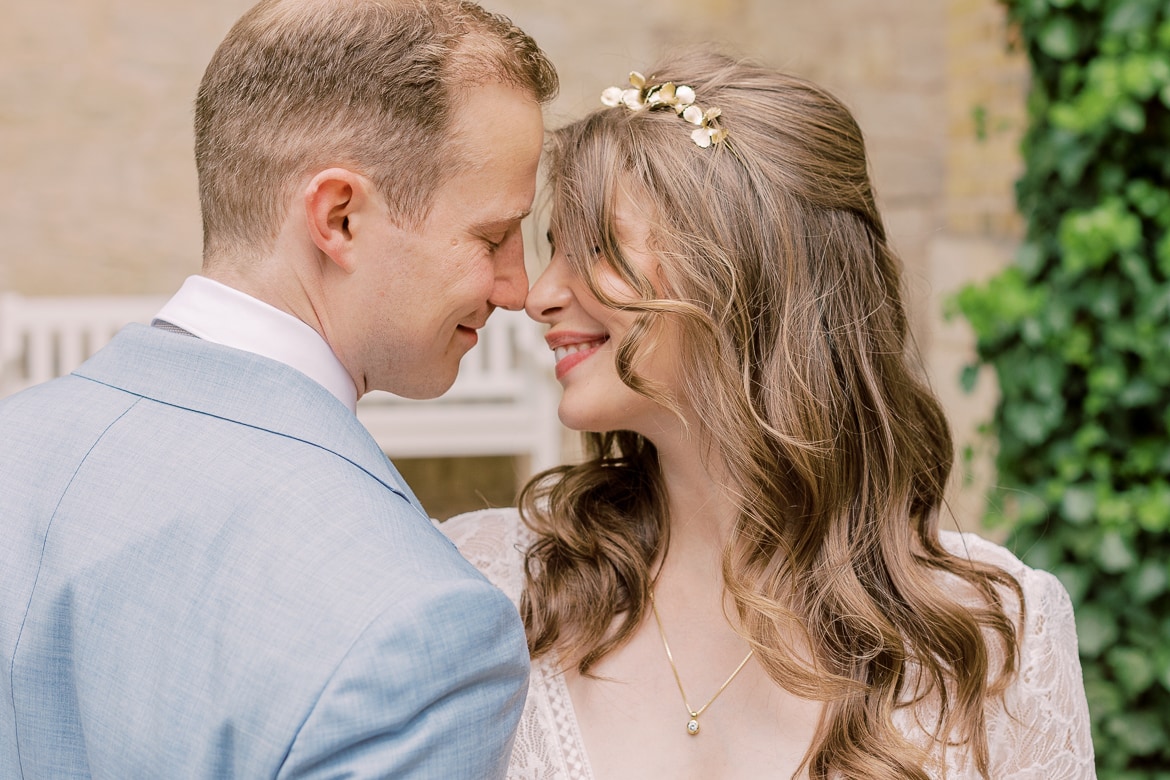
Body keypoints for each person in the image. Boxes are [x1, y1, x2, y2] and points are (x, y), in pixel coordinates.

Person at [442, 50, 1095, 778]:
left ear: (736, 272)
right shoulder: (494, 587)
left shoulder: (998, 636)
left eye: (593, 249)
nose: (538, 296)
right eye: (553, 248)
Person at [0, 0, 556, 776]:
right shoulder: (418, 622)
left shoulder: (14, 447)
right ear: (340, 218)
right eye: (493, 237)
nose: (517, 287)